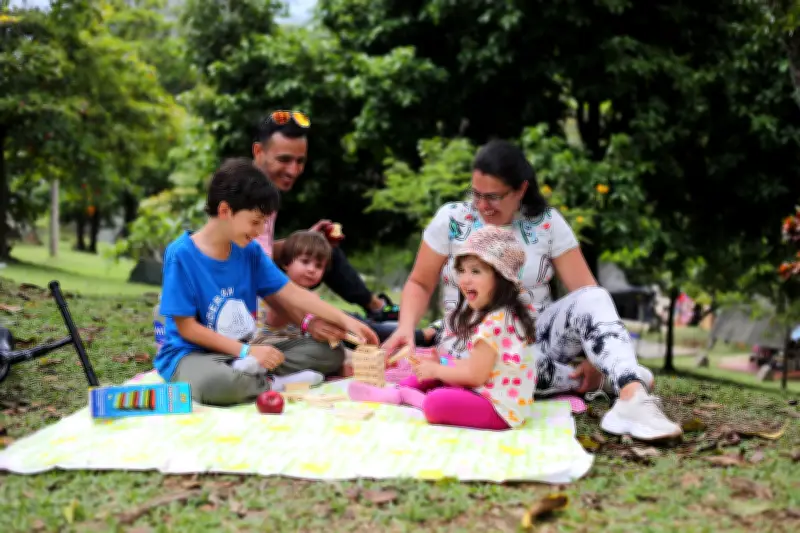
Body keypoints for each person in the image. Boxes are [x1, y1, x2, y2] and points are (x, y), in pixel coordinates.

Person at [382, 140, 682, 441]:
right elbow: (420, 282)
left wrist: (594, 356)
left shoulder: (546, 224)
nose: (483, 206)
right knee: (517, 365)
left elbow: (586, 292)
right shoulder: (452, 220)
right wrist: (406, 328)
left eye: (494, 196)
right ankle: (602, 378)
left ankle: (631, 394)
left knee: (596, 296)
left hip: (532, 334)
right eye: (477, 194)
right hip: (471, 344)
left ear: (521, 190)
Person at [154, 158, 378, 406]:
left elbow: (292, 292)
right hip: (194, 356)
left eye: (264, 222)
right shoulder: (181, 254)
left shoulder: (249, 252)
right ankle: (275, 383)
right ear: (225, 211)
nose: (260, 231)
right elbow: (187, 328)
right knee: (219, 384)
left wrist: (346, 320)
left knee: (330, 352)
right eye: (255, 221)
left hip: (245, 354)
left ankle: (252, 375)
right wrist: (246, 352)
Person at [349, 226, 537, 430]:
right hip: (484, 389)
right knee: (433, 372)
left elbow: (475, 376)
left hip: (499, 410)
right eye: (462, 270)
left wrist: (439, 370)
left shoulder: (497, 322)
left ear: (501, 278)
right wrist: (442, 366)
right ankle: (396, 392)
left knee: (436, 402)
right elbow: (477, 367)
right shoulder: (499, 314)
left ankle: (410, 397)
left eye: (476, 271)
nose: (465, 279)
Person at [251, 110, 402, 332]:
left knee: (321, 246)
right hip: (253, 305)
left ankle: (376, 309)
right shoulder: (246, 194)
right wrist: (310, 319)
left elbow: (256, 252)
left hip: (267, 287)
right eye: (284, 160)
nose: (293, 170)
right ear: (258, 152)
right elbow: (251, 266)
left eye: (300, 161)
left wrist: (304, 240)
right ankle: (415, 332)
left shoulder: (265, 192)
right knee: (338, 332)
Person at [262, 229, 435, 345]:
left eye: (318, 266)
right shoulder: (278, 289)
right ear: (285, 263)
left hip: (301, 345)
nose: (311, 270)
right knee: (349, 332)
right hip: (276, 347)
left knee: (356, 324)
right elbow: (278, 317)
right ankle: (420, 335)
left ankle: (411, 331)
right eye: (305, 262)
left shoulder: (306, 294)